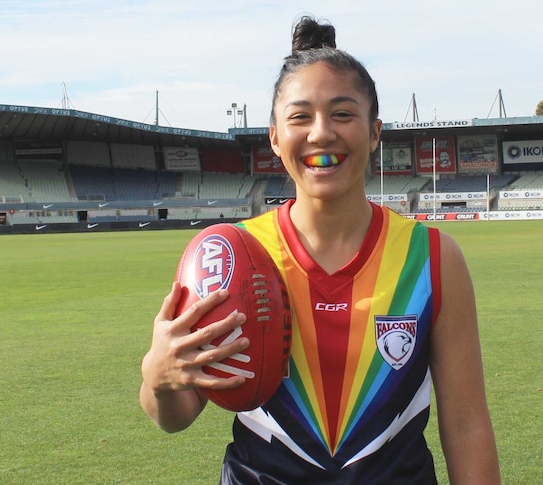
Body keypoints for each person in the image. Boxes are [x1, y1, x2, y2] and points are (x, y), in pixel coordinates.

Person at [140, 15, 500, 484]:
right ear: (274, 137)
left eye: (343, 114)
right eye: (299, 116)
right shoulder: (233, 254)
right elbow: (177, 412)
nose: (321, 133)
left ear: (375, 133)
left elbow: (467, 425)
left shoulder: (432, 257)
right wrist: (158, 374)